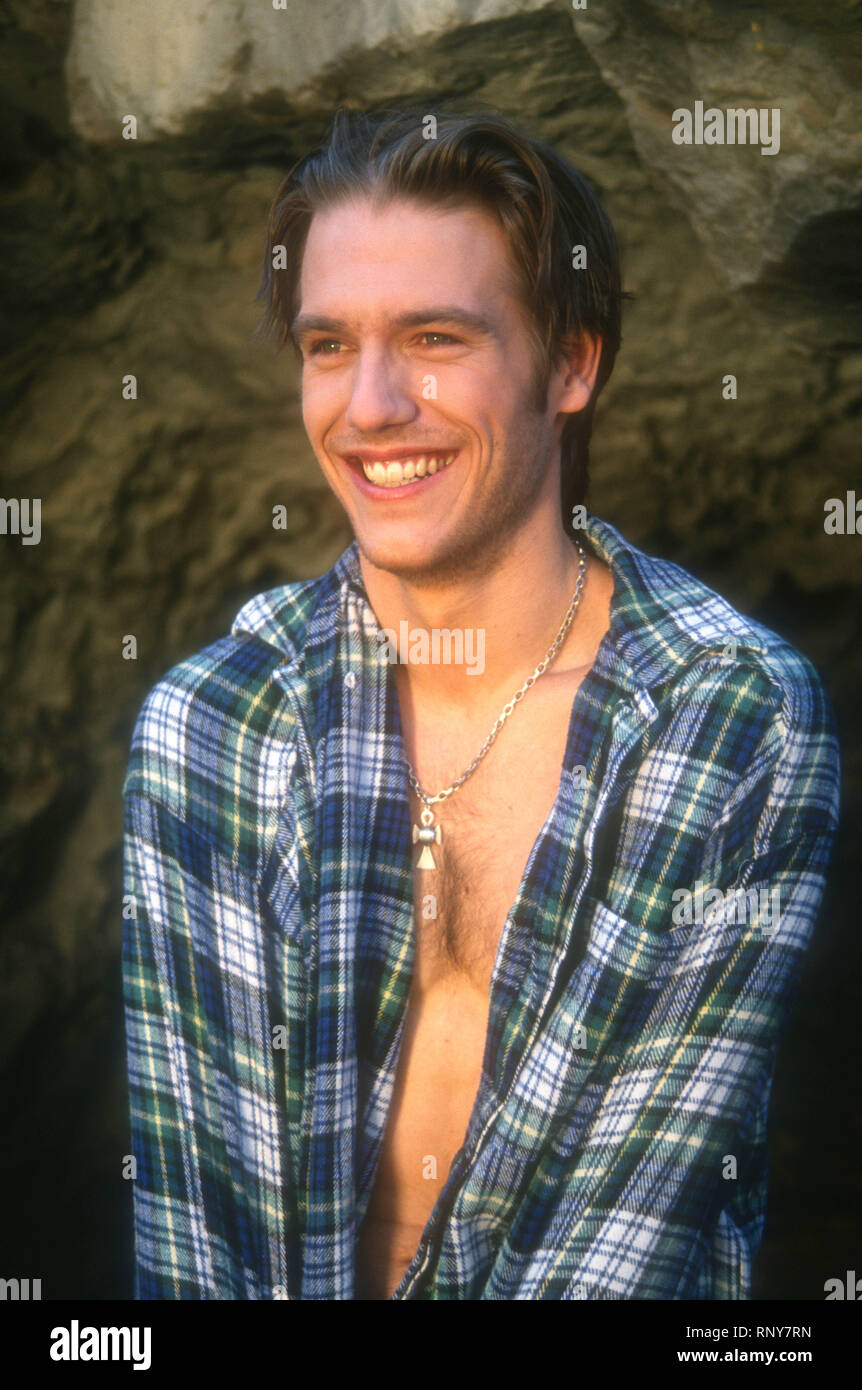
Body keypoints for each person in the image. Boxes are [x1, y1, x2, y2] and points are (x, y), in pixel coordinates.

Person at [122, 108, 840, 1300]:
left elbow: (617, 1250)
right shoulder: (215, 726)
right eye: (327, 345)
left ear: (571, 362)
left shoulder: (723, 718)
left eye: (434, 337)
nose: (370, 407)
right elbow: (198, 1243)